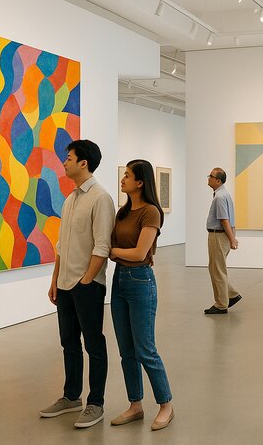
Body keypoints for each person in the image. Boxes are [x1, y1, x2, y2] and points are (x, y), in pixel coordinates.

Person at [40, 140, 115, 428]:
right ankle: (72, 397)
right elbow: (62, 245)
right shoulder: (70, 199)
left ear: (84, 163)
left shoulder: (101, 198)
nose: (64, 162)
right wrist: (55, 280)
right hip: (65, 284)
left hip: (87, 285)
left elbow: (102, 246)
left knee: (94, 344)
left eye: (69, 158)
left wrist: (86, 281)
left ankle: (96, 402)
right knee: (68, 343)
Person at [109, 160, 174, 431]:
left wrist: (113, 252)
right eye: (124, 174)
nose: (122, 179)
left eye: (127, 175)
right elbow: (117, 245)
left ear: (140, 182)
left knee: (145, 349)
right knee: (126, 350)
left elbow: (138, 253)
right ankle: (135, 405)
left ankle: (166, 405)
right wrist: (117, 252)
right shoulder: (123, 212)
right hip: (119, 281)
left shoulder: (151, 212)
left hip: (140, 281)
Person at [204, 167, 241, 314]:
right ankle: (231, 295)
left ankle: (221, 304)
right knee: (216, 268)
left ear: (218, 181)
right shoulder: (224, 194)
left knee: (217, 270)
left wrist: (232, 240)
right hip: (222, 235)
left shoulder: (219, 197)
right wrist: (232, 237)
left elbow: (224, 220)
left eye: (211, 176)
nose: (209, 178)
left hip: (218, 236)